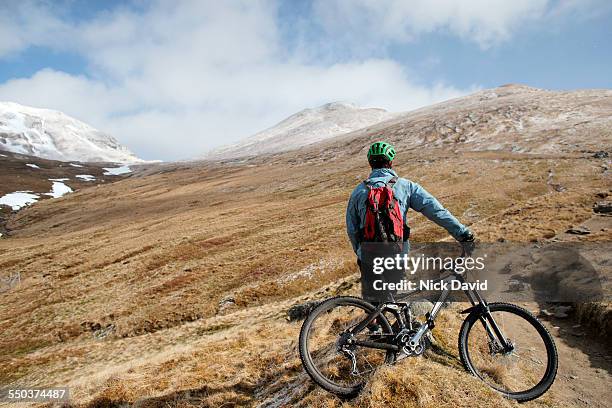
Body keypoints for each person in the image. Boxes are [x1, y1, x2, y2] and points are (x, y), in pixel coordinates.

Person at [346, 141, 474, 305]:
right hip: (396, 253)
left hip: (368, 255)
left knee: (374, 303)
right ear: (390, 163)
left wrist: (359, 252)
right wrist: (462, 233)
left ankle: (375, 325)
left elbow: (352, 229)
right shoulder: (406, 186)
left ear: (370, 163)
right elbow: (437, 212)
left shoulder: (358, 191)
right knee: (390, 297)